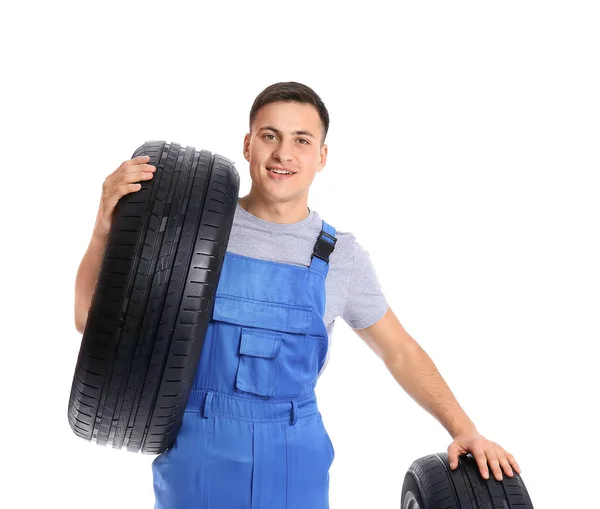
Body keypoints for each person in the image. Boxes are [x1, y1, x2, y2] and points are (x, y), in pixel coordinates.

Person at [74, 81, 521, 508]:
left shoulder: (339, 255)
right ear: (248, 145)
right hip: (196, 451)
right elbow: (88, 317)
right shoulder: (192, 234)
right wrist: (103, 227)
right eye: (270, 136)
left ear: (322, 156)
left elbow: (400, 351)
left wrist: (465, 429)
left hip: (294, 456)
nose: (283, 153)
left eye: (302, 140)